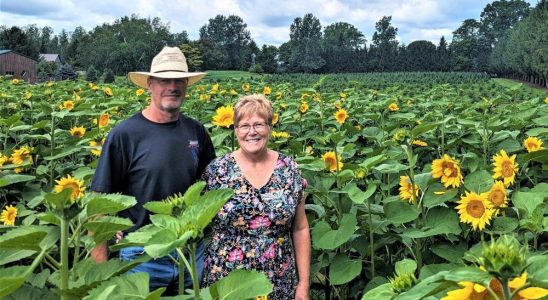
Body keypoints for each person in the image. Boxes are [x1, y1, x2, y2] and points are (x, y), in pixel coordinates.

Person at [90, 46, 215, 293]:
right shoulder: (124, 135)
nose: (172, 86)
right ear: (149, 84)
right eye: (163, 80)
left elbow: (212, 186)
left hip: (190, 250)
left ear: (187, 85)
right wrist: (101, 270)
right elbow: (100, 203)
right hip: (142, 253)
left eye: (179, 79)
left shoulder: (196, 131)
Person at [200, 94, 311, 300]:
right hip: (226, 279)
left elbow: (301, 227)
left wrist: (303, 284)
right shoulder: (217, 171)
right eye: (244, 126)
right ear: (235, 130)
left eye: (259, 124)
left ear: (270, 127)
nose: (252, 132)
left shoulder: (289, 168)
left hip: (278, 279)